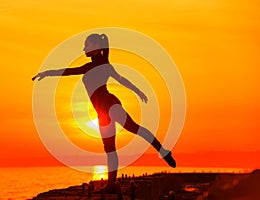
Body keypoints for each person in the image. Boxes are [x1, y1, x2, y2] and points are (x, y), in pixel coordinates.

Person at [33, 33, 176, 193]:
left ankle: (163, 151)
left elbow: (71, 71)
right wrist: (47, 73)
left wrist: (137, 90)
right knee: (110, 149)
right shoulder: (101, 63)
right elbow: (73, 69)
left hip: (110, 105)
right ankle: (111, 185)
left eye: (87, 45)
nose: (83, 49)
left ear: (95, 47)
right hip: (101, 112)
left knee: (133, 128)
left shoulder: (100, 65)